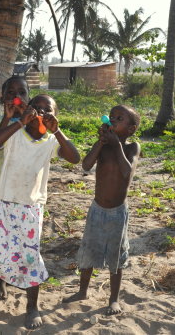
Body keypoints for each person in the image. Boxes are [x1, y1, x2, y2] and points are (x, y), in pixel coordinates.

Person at [0, 94, 80, 330]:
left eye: (48, 110)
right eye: (38, 108)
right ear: (28, 111)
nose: (42, 113)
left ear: (55, 116)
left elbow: (75, 159)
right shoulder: (16, 133)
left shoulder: (51, 141)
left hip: (30, 209)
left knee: (29, 257)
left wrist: (57, 131)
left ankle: (32, 306)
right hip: (2, 204)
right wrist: (17, 121)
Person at [62, 105, 141, 315]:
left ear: (131, 129)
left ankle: (113, 299)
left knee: (116, 256)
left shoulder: (132, 147)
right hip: (97, 209)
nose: (113, 120)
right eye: (112, 117)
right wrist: (101, 142)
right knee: (89, 250)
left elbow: (127, 173)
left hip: (117, 212)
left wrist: (116, 146)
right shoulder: (104, 145)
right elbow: (86, 165)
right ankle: (82, 291)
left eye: (119, 118)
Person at [0, 75, 30, 301]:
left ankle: (18, 276)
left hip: (26, 188)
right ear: (2, 98)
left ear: (28, 97)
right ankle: (0, 280)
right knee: (2, 235)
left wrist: (27, 120)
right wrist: (8, 119)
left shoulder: (34, 122)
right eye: (10, 93)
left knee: (22, 234)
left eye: (21, 92)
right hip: (2, 187)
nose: (16, 97)